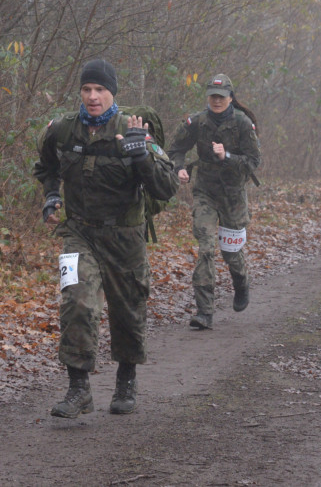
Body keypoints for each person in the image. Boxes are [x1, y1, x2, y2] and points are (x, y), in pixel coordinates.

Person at [33, 58, 179, 417]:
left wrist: (142, 155)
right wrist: (52, 196)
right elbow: (47, 166)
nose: (93, 96)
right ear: (80, 92)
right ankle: (78, 388)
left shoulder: (133, 128)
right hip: (80, 233)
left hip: (125, 236)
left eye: (100, 89)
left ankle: (126, 381)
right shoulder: (63, 130)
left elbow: (166, 188)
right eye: (87, 89)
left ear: (113, 92)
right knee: (76, 302)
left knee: (128, 310)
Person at [166, 74, 261, 330]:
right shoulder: (197, 121)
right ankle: (204, 312)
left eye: (221, 96)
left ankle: (241, 282)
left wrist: (227, 156)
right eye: (212, 96)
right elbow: (175, 149)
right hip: (205, 192)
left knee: (231, 252)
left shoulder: (242, 123)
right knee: (206, 248)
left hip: (233, 195)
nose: (216, 101)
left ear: (230, 97)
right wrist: (179, 168)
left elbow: (253, 162)